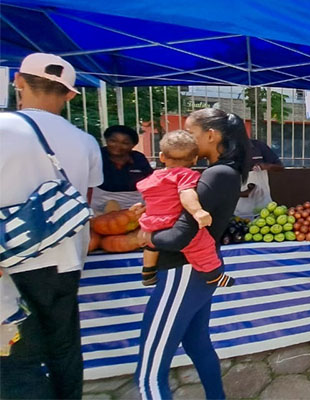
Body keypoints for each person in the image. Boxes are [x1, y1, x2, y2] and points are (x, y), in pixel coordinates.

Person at [0, 53, 103, 399]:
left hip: (10, 265)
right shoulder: (86, 141)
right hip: (66, 260)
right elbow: (85, 203)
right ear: (71, 94)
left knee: (16, 357)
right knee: (64, 348)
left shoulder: (3, 128)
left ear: (18, 81)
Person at [134, 108, 250, 399]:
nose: (185, 137)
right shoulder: (216, 172)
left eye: (191, 132)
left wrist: (146, 235)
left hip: (183, 270)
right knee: (197, 342)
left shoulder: (218, 174)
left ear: (211, 136)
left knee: (149, 372)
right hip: (194, 271)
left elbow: (180, 235)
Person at [136, 130, 235, 287]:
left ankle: (148, 271)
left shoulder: (153, 177)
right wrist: (198, 211)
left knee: (151, 246)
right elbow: (186, 194)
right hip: (172, 222)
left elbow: (152, 197)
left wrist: (141, 208)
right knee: (202, 244)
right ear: (195, 159)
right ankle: (213, 275)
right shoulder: (185, 175)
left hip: (151, 223)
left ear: (162, 156)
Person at [91, 125, 154, 212]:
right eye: (113, 141)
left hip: (135, 205)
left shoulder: (138, 158)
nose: (118, 145)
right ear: (106, 140)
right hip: (101, 205)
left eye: (125, 143)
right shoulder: (97, 156)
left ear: (133, 145)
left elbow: (150, 181)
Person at [235, 138, 282, 216]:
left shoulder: (259, 146)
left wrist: (267, 166)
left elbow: (280, 167)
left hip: (263, 209)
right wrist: (242, 193)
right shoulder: (227, 149)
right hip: (238, 211)